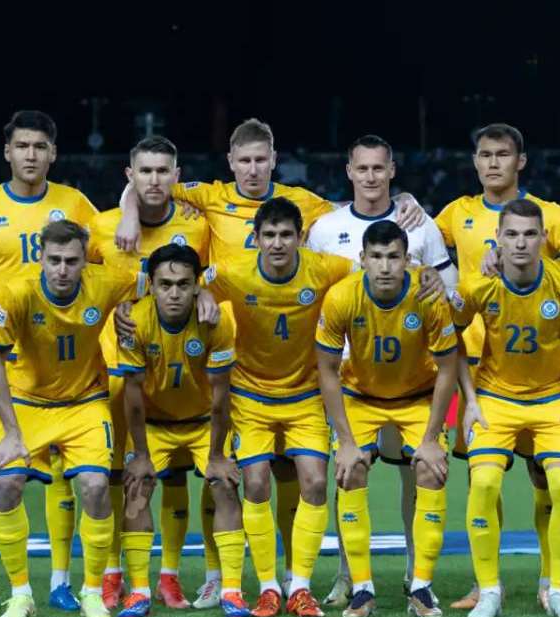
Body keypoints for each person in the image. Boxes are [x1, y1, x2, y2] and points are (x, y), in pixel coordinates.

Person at [115, 118, 427, 593]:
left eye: (261, 160)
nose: (253, 169)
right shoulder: (211, 195)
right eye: (244, 160)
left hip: (296, 368)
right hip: (231, 360)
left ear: (274, 161)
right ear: (231, 163)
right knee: (230, 474)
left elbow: (360, 205)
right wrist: (128, 214)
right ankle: (222, 577)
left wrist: (404, 199)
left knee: (291, 477)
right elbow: (147, 185)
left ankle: (293, 579)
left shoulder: (302, 202)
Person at [434, 123, 560, 610]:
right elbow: (416, 247)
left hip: (541, 363)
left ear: (520, 161)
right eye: (485, 155)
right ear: (475, 161)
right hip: (479, 368)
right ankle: (485, 583)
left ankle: (550, 581)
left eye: (502, 154)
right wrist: (405, 208)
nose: (493, 163)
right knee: (482, 478)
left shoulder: (550, 215)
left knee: (546, 478)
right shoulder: (456, 213)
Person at [0, 110, 98, 614]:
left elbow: (103, 264)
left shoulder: (74, 203)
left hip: (55, 364)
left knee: (61, 473)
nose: (31, 155)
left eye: (40, 146)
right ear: (7, 152)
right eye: (22, 146)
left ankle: (60, 581)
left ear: (53, 153)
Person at [305, 134, 456, 606]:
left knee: (418, 474)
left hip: (413, 378)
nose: (370, 176)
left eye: (378, 168)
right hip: (351, 378)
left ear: (392, 171)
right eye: (362, 168)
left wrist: (437, 283)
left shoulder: (421, 224)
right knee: (348, 472)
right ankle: (348, 577)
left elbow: (450, 292)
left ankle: (416, 574)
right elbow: (313, 292)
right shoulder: (325, 228)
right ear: (349, 172)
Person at [452, 198, 560, 617]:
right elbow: (450, 336)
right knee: (484, 483)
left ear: (542, 238)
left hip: (554, 398)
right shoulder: (478, 285)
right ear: (498, 239)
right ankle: (489, 591)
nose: (520, 243)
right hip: (494, 399)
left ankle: (558, 590)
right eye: (512, 234)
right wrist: (470, 400)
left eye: (529, 234)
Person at [0, 219, 142, 617]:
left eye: (71, 261)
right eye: (54, 260)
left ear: (85, 261)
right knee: (5, 485)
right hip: (28, 402)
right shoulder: (16, 293)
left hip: (84, 402)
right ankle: (20, 594)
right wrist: (12, 432)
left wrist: (199, 294)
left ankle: (92, 591)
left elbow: (155, 283)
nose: (62, 269)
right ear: (40, 258)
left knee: (95, 487)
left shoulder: (106, 282)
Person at [202, 197, 354, 617]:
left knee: (315, 483)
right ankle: (268, 586)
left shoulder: (325, 268)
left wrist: (424, 276)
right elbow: (191, 284)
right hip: (250, 396)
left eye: (286, 234)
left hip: (305, 395)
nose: (277, 243)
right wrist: (203, 296)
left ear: (300, 237)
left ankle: (299, 587)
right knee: (254, 484)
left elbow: (373, 272)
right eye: (268, 235)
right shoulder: (233, 271)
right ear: (255, 238)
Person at [87, 135, 220, 611]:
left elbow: (208, 277)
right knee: (117, 476)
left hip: (174, 371)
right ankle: (112, 574)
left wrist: (207, 291)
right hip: (115, 372)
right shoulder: (102, 227)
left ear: (176, 176)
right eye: (145, 171)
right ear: (130, 176)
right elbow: (83, 288)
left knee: (175, 475)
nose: (154, 180)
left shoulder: (195, 226)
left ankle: (169, 575)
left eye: (163, 171)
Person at [114, 243, 251, 617]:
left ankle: (232, 590)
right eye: (165, 284)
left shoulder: (216, 322)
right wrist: (141, 455)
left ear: (196, 286)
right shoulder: (135, 322)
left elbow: (222, 397)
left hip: (204, 422)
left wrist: (218, 455)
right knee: (137, 488)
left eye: (183, 284)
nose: (173, 293)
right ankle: (139, 591)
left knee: (225, 485)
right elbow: (133, 396)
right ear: (151, 286)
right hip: (154, 424)